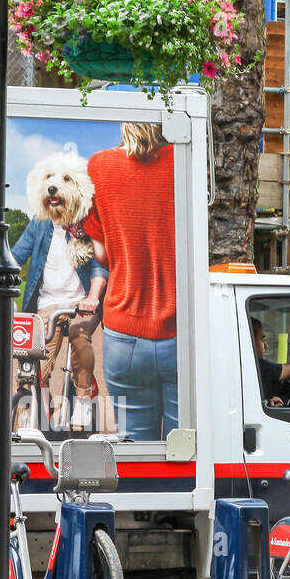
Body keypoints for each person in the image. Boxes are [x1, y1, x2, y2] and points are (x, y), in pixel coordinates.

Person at [81, 122, 177, 441]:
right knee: (186, 451)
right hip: (181, 332)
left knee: (136, 450)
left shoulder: (98, 165)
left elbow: (103, 255)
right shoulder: (184, 159)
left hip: (124, 332)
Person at [10, 154, 108, 431]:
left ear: (78, 189)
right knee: (33, 360)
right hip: (47, 304)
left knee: (80, 340)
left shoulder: (87, 225)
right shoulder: (38, 224)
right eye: (50, 180)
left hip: (80, 304)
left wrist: (92, 298)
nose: (54, 187)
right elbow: (16, 257)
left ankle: (83, 399)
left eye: (64, 180)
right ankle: (36, 407)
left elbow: (100, 267)